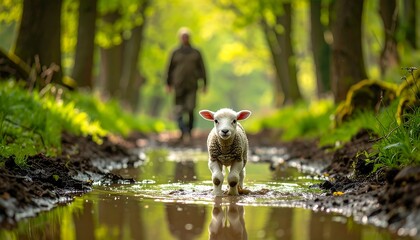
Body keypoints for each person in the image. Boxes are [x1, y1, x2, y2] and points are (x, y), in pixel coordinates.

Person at [166, 27, 207, 143]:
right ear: (179, 38)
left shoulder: (196, 52)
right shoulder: (175, 52)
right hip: (178, 85)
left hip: (192, 85)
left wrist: (205, 84)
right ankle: (183, 131)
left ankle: (189, 131)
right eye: (183, 37)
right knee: (178, 110)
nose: (185, 39)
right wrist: (168, 84)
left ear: (189, 38)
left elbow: (203, 69)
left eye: (186, 37)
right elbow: (169, 69)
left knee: (190, 108)